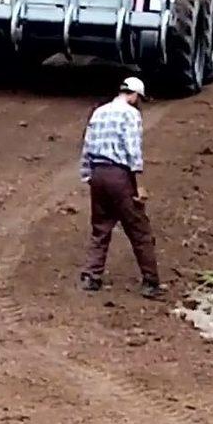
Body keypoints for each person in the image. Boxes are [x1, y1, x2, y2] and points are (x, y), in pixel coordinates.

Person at [79, 76, 163, 299]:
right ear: (134, 95)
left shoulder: (99, 111)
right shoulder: (130, 114)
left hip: (98, 175)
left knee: (101, 227)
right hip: (119, 176)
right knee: (139, 229)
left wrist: (88, 175)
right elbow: (132, 149)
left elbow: (87, 145)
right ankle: (151, 282)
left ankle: (91, 276)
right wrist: (139, 185)